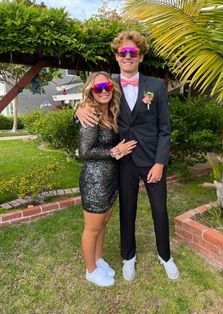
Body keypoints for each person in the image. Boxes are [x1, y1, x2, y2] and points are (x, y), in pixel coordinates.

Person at [76, 31, 179, 281]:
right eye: (123, 52)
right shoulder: (107, 84)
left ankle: (165, 256)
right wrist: (77, 111)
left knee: (159, 210)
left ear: (141, 57)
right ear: (117, 55)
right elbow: (88, 102)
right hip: (123, 162)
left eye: (133, 52)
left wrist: (160, 162)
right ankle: (128, 257)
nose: (128, 56)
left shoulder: (155, 86)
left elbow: (165, 129)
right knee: (127, 211)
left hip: (152, 160)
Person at [78, 71, 137, 287]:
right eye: (97, 88)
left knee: (102, 224)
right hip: (95, 181)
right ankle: (90, 270)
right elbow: (85, 152)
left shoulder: (111, 112)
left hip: (110, 179)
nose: (103, 91)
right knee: (92, 228)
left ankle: (98, 259)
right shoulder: (90, 116)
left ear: (112, 88)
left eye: (107, 86)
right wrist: (115, 151)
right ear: (90, 92)